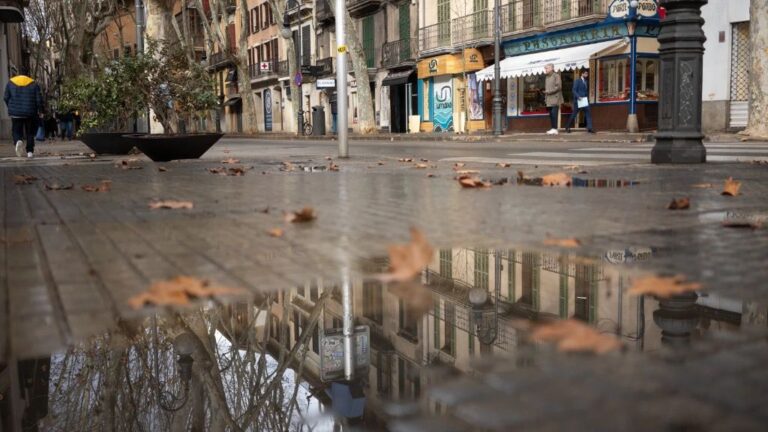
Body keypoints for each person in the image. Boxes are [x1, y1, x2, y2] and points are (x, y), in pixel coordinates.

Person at [4, 68, 43, 158]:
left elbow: (5, 97)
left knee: (16, 130)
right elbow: (38, 100)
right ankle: (29, 151)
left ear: (17, 74)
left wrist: (10, 107)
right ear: (28, 75)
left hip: (15, 113)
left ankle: (18, 140)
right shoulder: (33, 84)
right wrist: (40, 110)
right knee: (30, 132)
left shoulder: (10, 83)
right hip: (30, 112)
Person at [565, 69, 595, 134]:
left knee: (588, 113)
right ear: (582, 74)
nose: (587, 75)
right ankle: (567, 127)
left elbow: (585, 91)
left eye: (587, 74)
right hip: (578, 100)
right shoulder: (577, 81)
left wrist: (587, 99)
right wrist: (578, 97)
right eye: (586, 74)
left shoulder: (586, 82)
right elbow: (574, 90)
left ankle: (590, 128)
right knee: (574, 114)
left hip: (585, 100)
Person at [542, 63, 563, 135]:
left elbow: (558, 87)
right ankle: (553, 128)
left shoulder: (556, 76)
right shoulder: (547, 77)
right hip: (549, 99)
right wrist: (546, 96)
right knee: (551, 114)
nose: (546, 70)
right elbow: (547, 88)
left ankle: (555, 129)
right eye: (545, 68)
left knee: (554, 114)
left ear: (551, 68)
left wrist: (549, 92)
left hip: (555, 98)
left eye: (547, 68)